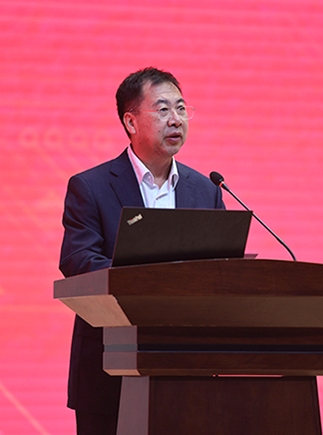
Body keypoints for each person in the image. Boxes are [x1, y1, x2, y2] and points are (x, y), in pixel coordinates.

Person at [58, 67, 225, 434]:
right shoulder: (91, 187)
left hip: (189, 371)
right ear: (130, 122)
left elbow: (221, 269)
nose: (176, 119)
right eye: (163, 109)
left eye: (181, 108)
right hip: (110, 368)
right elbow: (78, 260)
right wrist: (148, 283)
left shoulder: (206, 191)